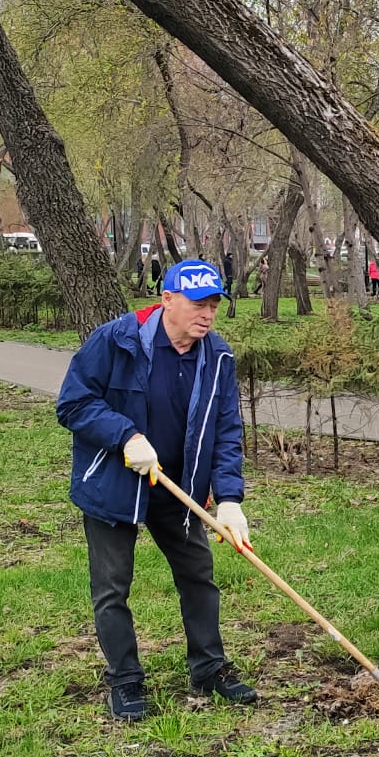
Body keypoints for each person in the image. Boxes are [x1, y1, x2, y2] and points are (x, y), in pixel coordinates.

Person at [56, 259, 255, 722]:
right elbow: (73, 403)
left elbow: (227, 431)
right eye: (197, 304)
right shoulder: (116, 340)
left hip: (178, 487)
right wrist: (125, 436)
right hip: (113, 483)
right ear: (166, 299)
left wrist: (229, 499)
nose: (207, 314)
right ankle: (125, 680)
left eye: (213, 305)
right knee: (112, 587)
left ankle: (208, 669)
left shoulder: (217, 356)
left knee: (198, 576)